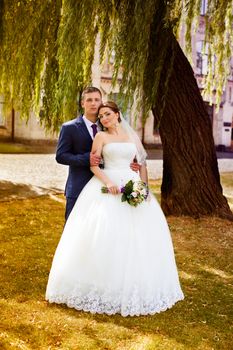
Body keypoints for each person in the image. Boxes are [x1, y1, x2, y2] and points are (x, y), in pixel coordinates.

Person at [46, 101, 184, 317]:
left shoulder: (132, 136)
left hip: (131, 184)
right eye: (101, 116)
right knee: (106, 233)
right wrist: (108, 182)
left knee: (138, 236)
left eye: (107, 114)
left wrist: (144, 187)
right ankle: (102, 283)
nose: (104, 119)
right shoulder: (100, 137)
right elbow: (93, 164)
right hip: (109, 184)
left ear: (118, 114)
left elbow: (142, 163)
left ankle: (137, 281)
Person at [56, 86, 139, 220]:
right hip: (79, 186)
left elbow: (115, 153)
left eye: (97, 100)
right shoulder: (69, 128)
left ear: (101, 102)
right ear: (83, 103)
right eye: (89, 100)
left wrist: (130, 164)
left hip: (105, 187)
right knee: (75, 227)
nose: (93, 103)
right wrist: (86, 158)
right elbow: (61, 156)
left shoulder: (107, 126)